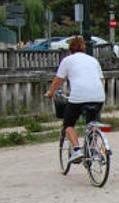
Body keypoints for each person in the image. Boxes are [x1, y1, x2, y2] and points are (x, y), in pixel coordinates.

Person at [45, 36, 105, 164]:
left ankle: (77, 150)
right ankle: (93, 148)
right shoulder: (93, 60)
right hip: (98, 95)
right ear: (84, 48)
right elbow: (101, 80)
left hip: (79, 96)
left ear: (70, 48)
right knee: (93, 123)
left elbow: (58, 80)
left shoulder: (67, 60)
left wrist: (50, 93)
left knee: (68, 123)